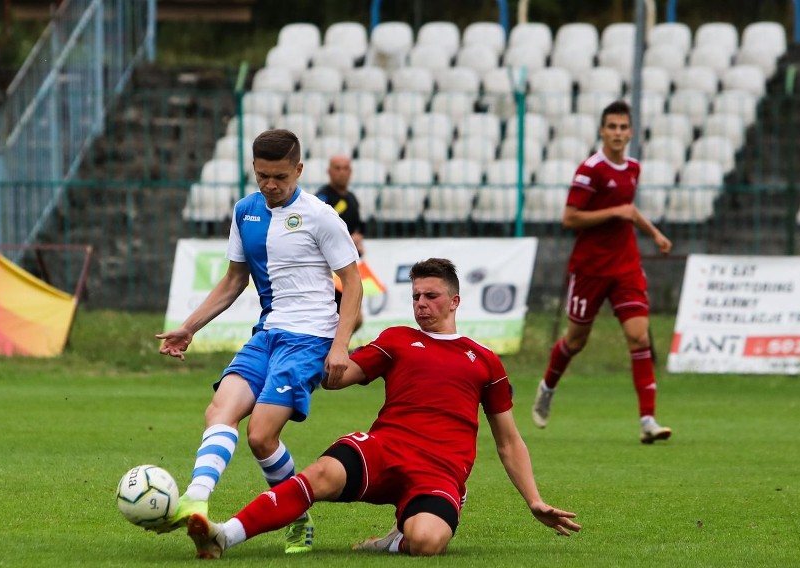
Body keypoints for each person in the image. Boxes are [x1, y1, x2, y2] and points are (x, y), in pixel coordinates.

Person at [185, 258, 581, 559]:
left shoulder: (484, 360)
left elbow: (509, 441)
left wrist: (534, 500)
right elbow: (336, 377)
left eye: (431, 296)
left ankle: (395, 539)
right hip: (385, 448)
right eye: (415, 297)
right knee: (321, 473)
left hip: (440, 469)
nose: (421, 304)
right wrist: (336, 336)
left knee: (427, 542)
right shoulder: (397, 340)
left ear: (455, 300)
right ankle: (224, 534)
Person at [155, 129, 363, 554]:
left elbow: (354, 285)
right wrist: (190, 327)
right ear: (254, 169)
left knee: (260, 435)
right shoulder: (245, 211)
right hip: (268, 333)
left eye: (280, 177)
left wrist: (339, 346)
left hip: (309, 339)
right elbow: (234, 279)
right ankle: (196, 498)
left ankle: (295, 514)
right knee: (220, 409)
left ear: (299, 171)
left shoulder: (321, 216)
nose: (270, 184)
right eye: (263, 175)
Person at [532, 100, 674, 444]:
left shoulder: (633, 168)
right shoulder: (590, 170)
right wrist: (613, 213)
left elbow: (628, 209)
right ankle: (548, 387)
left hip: (625, 265)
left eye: (623, 127)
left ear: (631, 132)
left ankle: (648, 421)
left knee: (639, 337)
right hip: (590, 269)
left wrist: (653, 233)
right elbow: (570, 218)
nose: (618, 133)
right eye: (612, 127)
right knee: (576, 340)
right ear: (602, 130)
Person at [315, 154, 365, 332]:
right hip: (329, 270)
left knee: (354, 318)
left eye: (345, 168)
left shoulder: (351, 198)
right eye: (337, 168)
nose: (342, 173)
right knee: (350, 317)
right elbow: (316, 230)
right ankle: (335, 351)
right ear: (329, 171)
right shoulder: (323, 198)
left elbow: (356, 229)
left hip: (347, 266)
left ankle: (334, 351)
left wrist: (358, 242)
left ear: (351, 172)